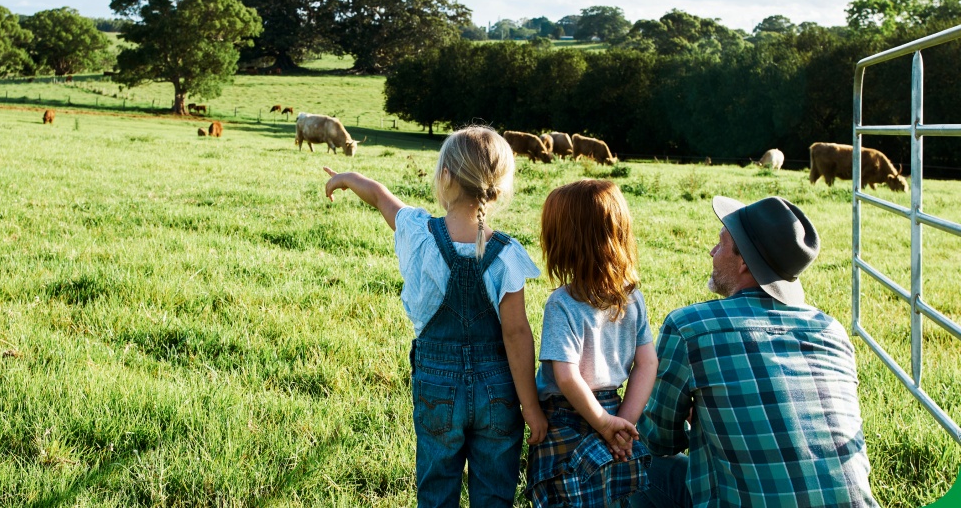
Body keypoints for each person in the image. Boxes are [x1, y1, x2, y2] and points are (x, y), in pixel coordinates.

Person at [323, 125, 547, 507]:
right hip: (499, 391)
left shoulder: (420, 233)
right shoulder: (507, 254)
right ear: (497, 186)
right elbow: (517, 334)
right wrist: (530, 406)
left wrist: (347, 178)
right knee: (495, 490)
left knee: (436, 487)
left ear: (445, 176)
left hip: (436, 385)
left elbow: (380, 197)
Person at [632, 196, 879, 508]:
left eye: (720, 243)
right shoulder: (831, 331)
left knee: (634, 464)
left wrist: (702, 423)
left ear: (744, 261)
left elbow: (656, 438)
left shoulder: (691, 327)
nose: (712, 252)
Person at [527, 180, 658, 507]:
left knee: (569, 496)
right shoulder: (633, 298)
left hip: (568, 419)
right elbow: (647, 363)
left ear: (565, 244)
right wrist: (623, 424)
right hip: (615, 410)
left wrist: (603, 423)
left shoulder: (562, 304)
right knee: (613, 496)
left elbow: (566, 377)